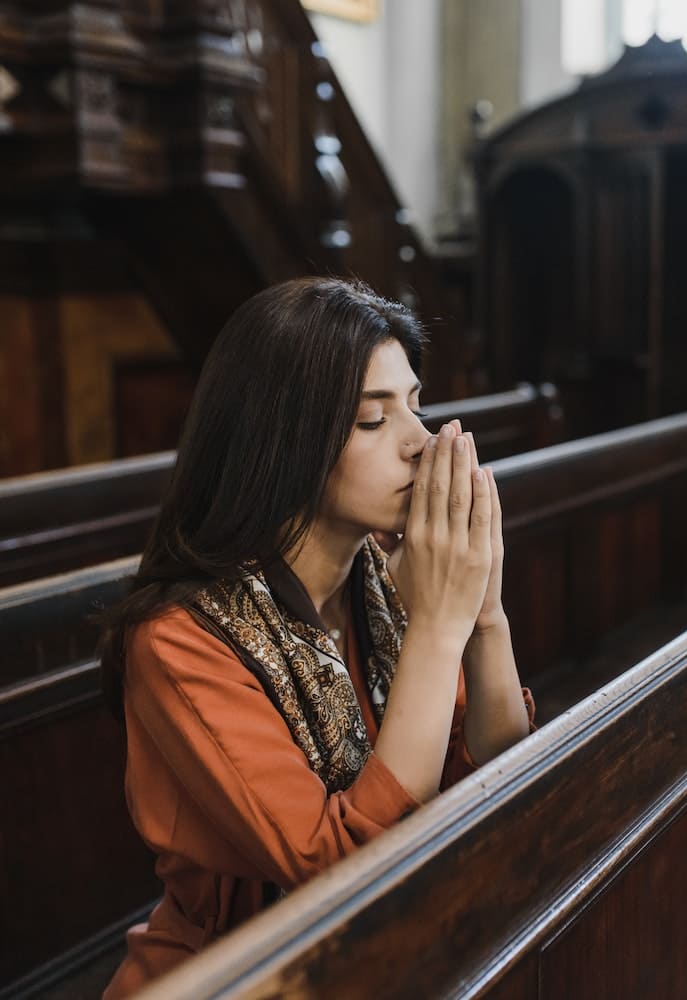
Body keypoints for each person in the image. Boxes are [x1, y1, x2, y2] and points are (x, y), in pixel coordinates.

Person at [100, 277, 534, 998]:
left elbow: (488, 775)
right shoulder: (180, 640)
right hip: (242, 975)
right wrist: (436, 628)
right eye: (372, 421)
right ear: (284, 437)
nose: (421, 445)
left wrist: (484, 616)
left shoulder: (384, 578)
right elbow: (339, 870)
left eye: (417, 408)